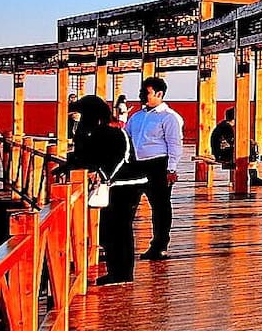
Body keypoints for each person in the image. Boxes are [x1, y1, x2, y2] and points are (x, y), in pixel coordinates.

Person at [64, 96, 131, 285]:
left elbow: (87, 157)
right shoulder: (102, 132)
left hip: (121, 186)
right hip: (115, 184)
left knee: (117, 229)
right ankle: (118, 271)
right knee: (113, 229)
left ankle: (121, 273)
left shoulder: (108, 134)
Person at [123, 77, 183, 262]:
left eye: (146, 92)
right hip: (136, 165)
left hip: (158, 165)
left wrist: (171, 169)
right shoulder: (137, 116)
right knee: (126, 205)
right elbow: (126, 136)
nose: (142, 95)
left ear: (159, 94)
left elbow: (174, 144)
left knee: (160, 207)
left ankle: (159, 246)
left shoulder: (169, 117)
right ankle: (120, 246)